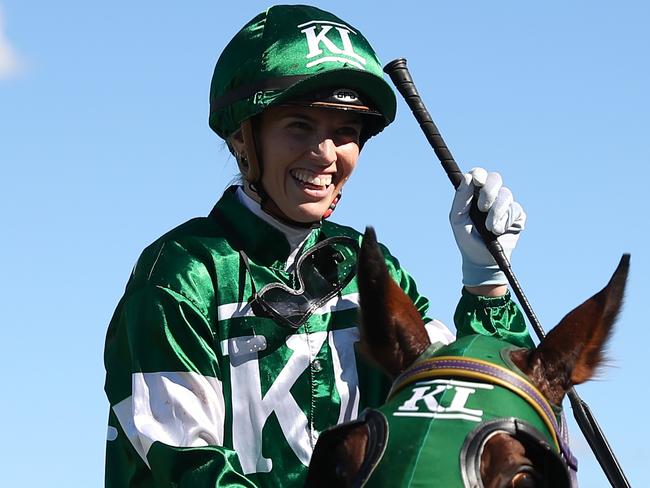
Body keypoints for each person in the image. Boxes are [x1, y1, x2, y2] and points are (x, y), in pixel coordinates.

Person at [103, 5, 532, 487]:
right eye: (299, 126)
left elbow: (472, 412)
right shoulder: (182, 274)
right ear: (243, 138)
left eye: (345, 132)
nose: (325, 154)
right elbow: (183, 470)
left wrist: (486, 283)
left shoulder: (368, 266)